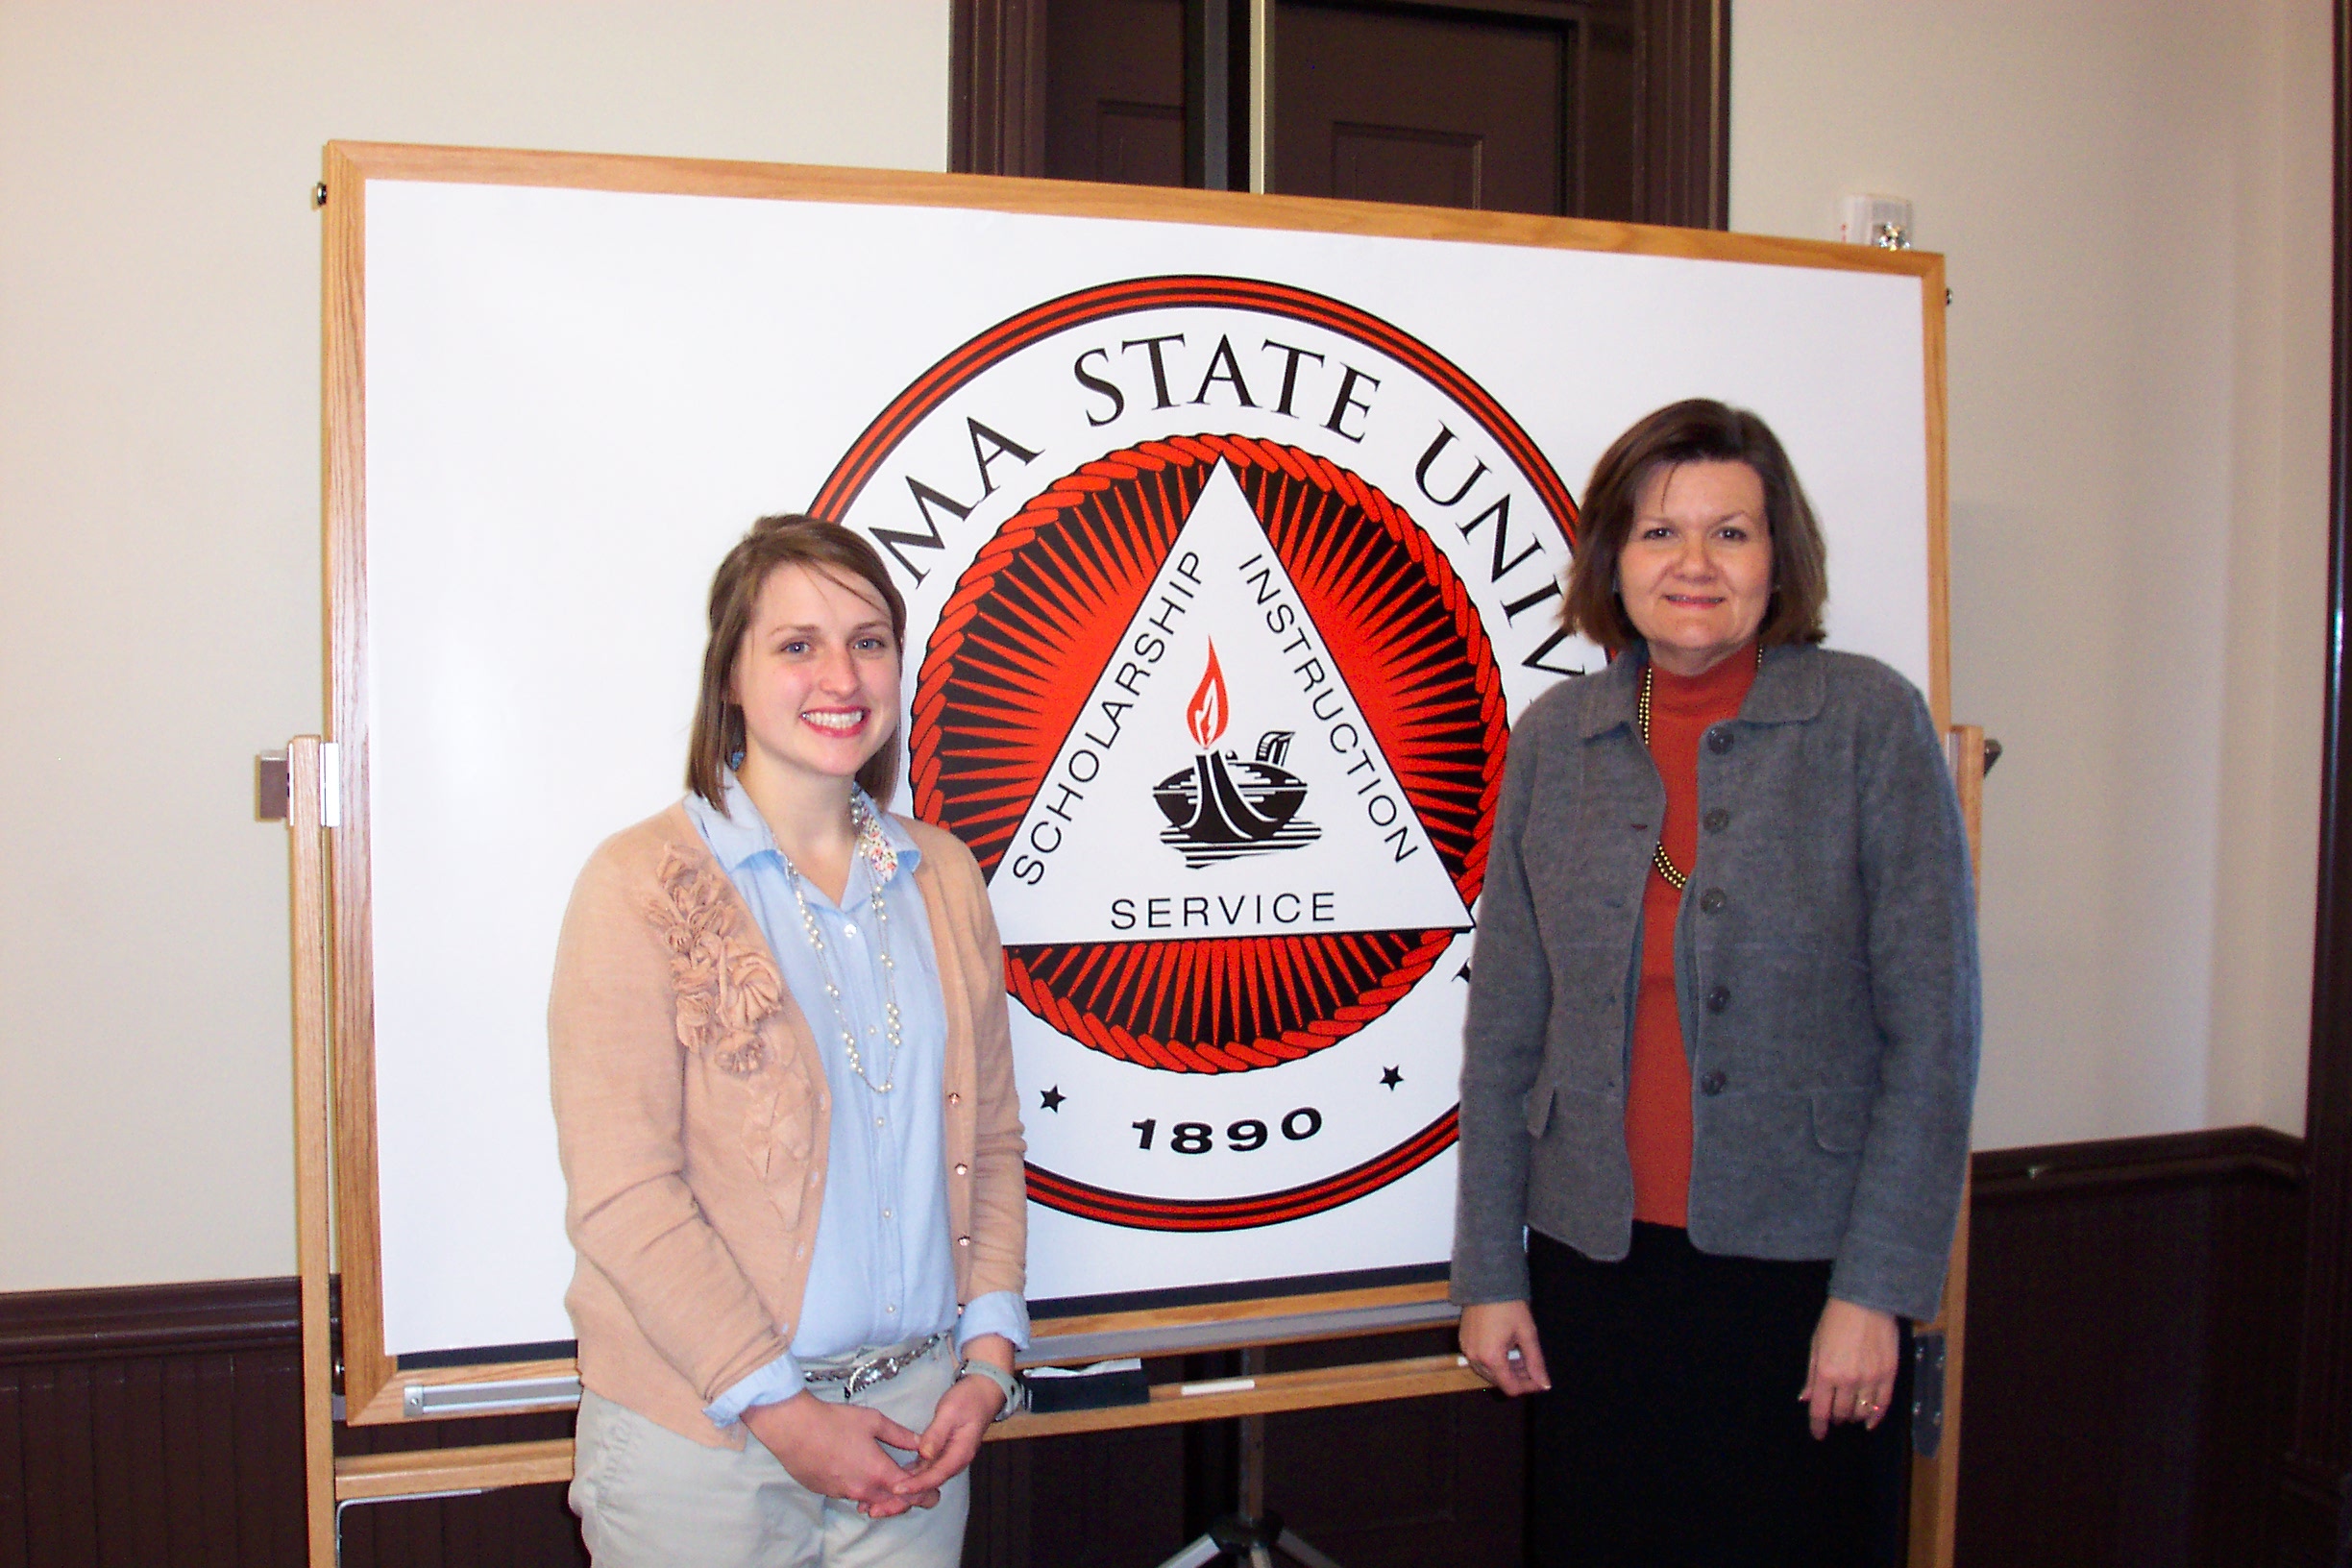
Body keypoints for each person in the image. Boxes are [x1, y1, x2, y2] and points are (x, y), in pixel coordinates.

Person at [1452, 400, 1978, 1566]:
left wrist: (1877, 1292)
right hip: (1595, 1275)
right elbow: (1504, 1035)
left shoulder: (1868, 723)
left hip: (1806, 1284)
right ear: (1613, 560)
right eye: (1659, 532)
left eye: (1730, 532)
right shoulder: (1557, 736)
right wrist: (1490, 1271)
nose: (1694, 563)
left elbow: (1933, 1038)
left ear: (1778, 558)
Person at [550, 514, 1028, 1567]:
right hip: (703, 1443)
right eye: (797, 645)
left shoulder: (944, 876)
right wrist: (783, 1413)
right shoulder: (636, 885)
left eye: (868, 641)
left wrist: (989, 1358)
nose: (841, 677)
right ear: (731, 674)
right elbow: (625, 1196)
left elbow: (990, 1139)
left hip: (918, 1423)